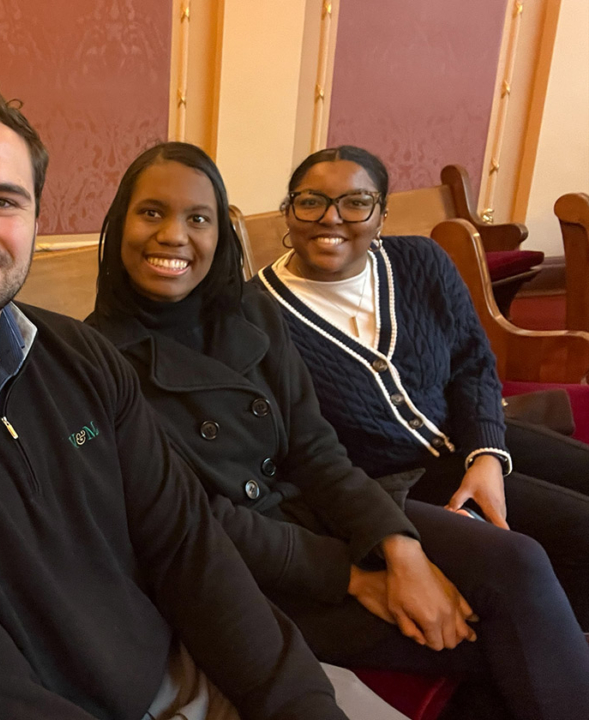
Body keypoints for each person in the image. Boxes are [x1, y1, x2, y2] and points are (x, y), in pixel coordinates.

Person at [0, 82, 349, 720]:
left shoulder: (79, 356)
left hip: (184, 681)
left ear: (36, 219)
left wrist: (304, 707)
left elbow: (190, 552)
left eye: (4, 200)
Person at [85, 141, 589, 720]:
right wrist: (356, 579)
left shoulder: (247, 313)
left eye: (197, 217)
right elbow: (198, 520)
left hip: (322, 519)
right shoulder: (93, 360)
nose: (174, 235)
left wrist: (400, 551)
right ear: (118, 222)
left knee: (515, 563)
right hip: (249, 575)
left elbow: (316, 448)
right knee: (488, 633)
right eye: (151, 212)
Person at [255, 145, 589, 628]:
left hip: (471, 439)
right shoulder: (255, 313)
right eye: (311, 202)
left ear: (381, 216)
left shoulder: (420, 261)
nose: (331, 218)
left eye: (355, 203)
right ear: (290, 211)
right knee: (575, 534)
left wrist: (487, 456)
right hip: (394, 485)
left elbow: (472, 362)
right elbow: (300, 450)